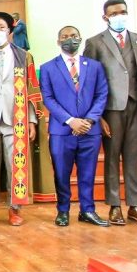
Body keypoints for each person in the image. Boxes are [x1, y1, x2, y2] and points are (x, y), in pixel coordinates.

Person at [0, 11, 56, 225]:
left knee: (15, 164)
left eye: (0, 27)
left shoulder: (24, 56)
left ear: (9, 30)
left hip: (16, 119)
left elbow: (32, 88)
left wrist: (32, 120)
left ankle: (14, 208)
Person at [83, 0, 137, 226]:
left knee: (133, 158)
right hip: (111, 109)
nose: (119, 16)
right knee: (112, 158)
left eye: (122, 12)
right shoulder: (95, 43)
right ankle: (115, 206)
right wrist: (98, 117)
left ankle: (134, 205)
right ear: (105, 17)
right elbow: (89, 81)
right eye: (114, 13)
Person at [40, 26, 109, 227]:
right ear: (58, 41)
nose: (70, 39)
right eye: (65, 37)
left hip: (90, 130)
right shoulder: (48, 68)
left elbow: (101, 94)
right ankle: (63, 211)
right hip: (62, 131)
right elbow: (48, 98)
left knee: (87, 173)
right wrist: (71, 120)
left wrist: (89, 120)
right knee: (61, 173)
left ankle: (88, 210)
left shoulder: (95, 66)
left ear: (80, 39)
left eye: (73, 36)